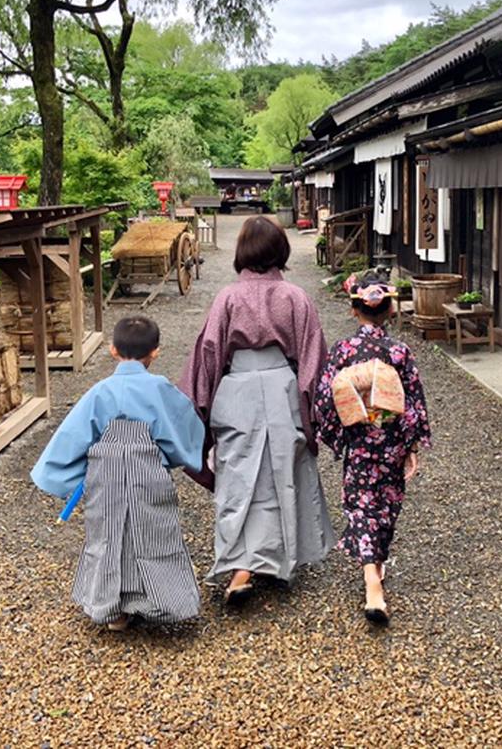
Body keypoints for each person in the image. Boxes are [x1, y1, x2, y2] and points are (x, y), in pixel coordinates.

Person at [180, 215, 333, 605]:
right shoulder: (295, 297)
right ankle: (273, 561)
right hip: (283, 388)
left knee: (238, 477)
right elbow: (313, 360)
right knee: (283, 473)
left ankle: (241, 567)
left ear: (242, 251)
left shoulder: (228, 298)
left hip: (237, 392)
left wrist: (198, 411)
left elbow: (209, 355)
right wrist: (316, 413)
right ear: (280, 250)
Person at [31, 315, 205, 631]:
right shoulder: (161, 388)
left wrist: (67, 477)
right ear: (155, 352)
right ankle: (161, 603)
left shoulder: (100, 392)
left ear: (112, 350)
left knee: (108, 536)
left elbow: (74, 437)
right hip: (148, 470)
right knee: (154, 534)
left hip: (105, 473)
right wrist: (174, 456)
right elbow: (183, 428)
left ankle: (112, 611)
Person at [313, 272, 431, 626]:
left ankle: (372, 575)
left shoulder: (343, 351)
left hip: (360, 441)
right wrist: (411, 445)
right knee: (387, 503)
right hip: (391, 442)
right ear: (390, 310)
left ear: (354, 310)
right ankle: (374, 578)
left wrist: (339, 433)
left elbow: (325, 399)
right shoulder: (399, 352)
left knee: (362, 503)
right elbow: (412, 403)